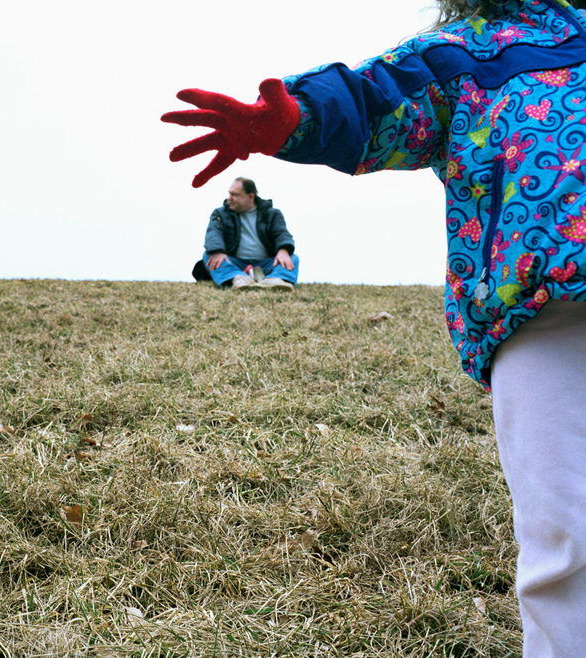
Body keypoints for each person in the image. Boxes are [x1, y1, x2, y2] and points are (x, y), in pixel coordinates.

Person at [162, 0, 586, 655]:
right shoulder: (469, 52)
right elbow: (373, 99)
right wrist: (293, 119)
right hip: (539, 315)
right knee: (565, 535)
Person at [202, 177, 299, 291]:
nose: (229, 198)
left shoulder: (272, 214)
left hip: (266, 264)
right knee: (208, 256)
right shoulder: (220, 213)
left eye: (235, 195)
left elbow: (281, 233)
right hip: (234, 264)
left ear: (250, 196)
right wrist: (217, 250)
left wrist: (283, 249)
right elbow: (214, 233)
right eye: (229, 194)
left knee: (293, 258)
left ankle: (275, 280)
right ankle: (237, 279)